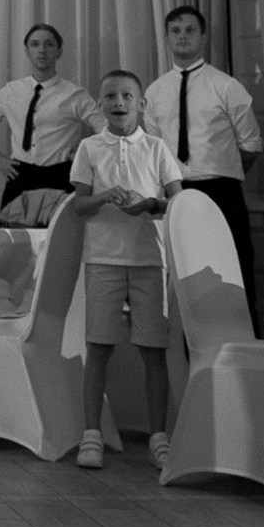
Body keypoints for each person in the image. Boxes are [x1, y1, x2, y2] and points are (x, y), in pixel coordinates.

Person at [68, 69, 183, 474]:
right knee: (98, 347)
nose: (119, 103)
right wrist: (105, 197)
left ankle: (158, 437)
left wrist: (150, 204)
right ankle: (91, 435)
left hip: (150, 261)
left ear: (141, 103)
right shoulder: (89, 148)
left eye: (127, 96)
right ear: (101, 103)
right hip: (102, 259)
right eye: (111, 96)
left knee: (154, 350)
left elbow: (180, 204)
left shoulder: (156, 147)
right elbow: (79, 206)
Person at [143, 6, 261, 318]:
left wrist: (218, 174)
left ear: (203, 37)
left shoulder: (226, 86)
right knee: (179, 275)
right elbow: (153, 150)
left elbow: (250, 145)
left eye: (190, 30)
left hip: (222, 192)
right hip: (175, 194)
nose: (182, 36)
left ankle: (242, 354)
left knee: (235, 273)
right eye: (176, 31)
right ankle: (185, 359)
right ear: (167, 38)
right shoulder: (155, 92)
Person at [0, 23, 102, 210]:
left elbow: (105, 128)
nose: (42, 50)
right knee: (14, 236)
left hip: (60, 177)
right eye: (35, 44)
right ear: (27, 51)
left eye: (49, 44)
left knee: (57, 236)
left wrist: (83, 153)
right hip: (20, 175)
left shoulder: (75, 95)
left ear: (59, 51)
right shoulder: (11, 92)